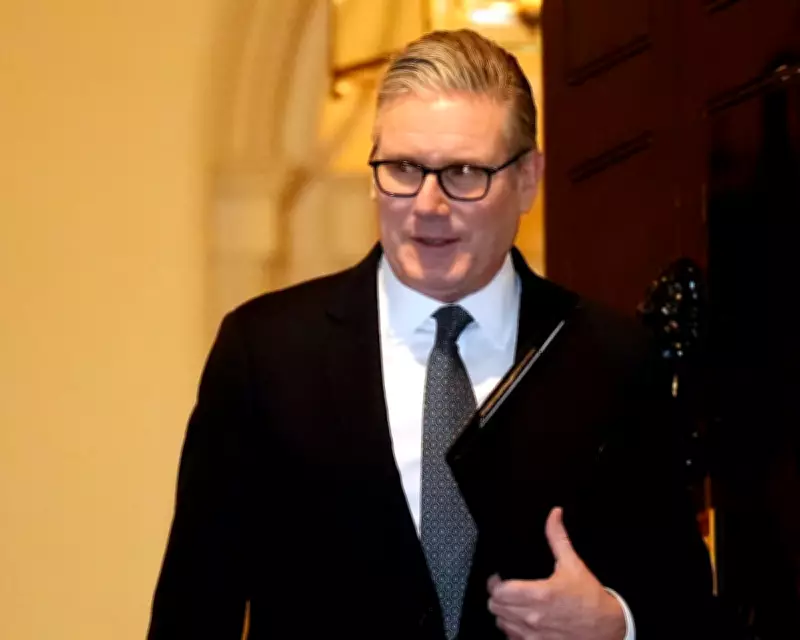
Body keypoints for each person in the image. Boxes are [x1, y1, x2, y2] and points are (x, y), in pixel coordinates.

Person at [147, 29, 713, 640]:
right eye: (403, 169)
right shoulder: (265, 354)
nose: (427, 205)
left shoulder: (611, 360)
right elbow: (192, 612)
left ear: (528, 178)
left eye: (464, 173)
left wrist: (614, 623)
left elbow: (688, 607)